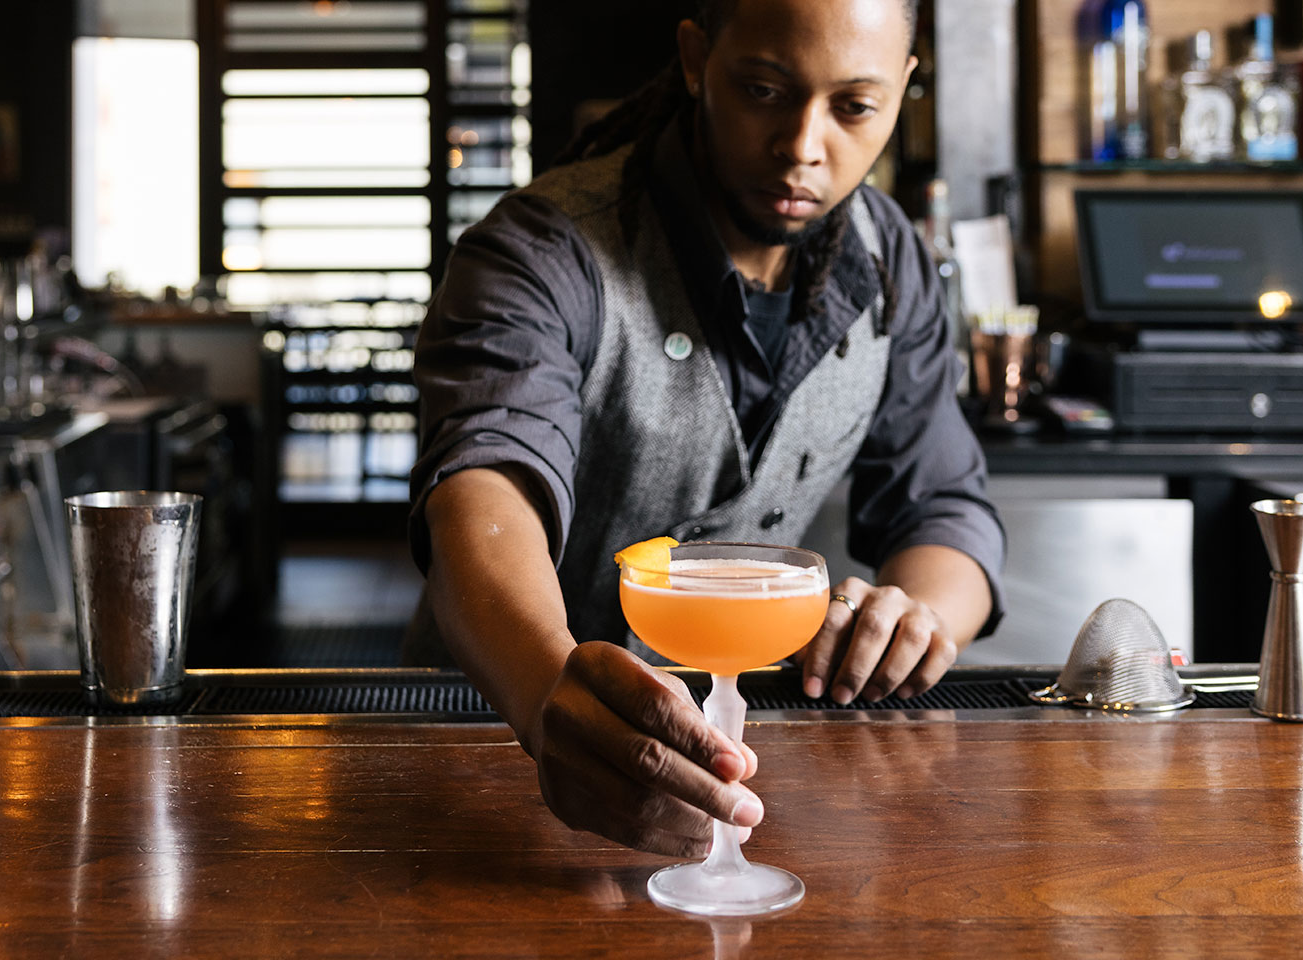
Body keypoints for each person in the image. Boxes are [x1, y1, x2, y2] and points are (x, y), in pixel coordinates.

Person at [410, 0, 1005, 857]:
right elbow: (484, 484)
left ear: (904, 89)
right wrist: (546, 691)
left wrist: (915, 617)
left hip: (752, 763)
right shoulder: (544, 248)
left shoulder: (891, 261)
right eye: (764, 89)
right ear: (695, 58)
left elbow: (944, 504)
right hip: (490, 737)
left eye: (854, 107)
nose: (803, 146)